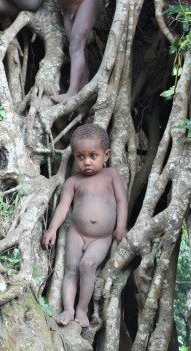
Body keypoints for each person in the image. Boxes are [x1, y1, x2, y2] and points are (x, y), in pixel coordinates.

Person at [42, 123, 127, 328]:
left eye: (93, 156)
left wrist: (121, 227)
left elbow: (121, 201)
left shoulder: (111, 175)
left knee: (87, 265)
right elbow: (63, 207)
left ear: (106, 155)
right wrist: (52, 229)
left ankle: (82, 309)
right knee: (71, 269)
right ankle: (68, 308)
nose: (87, 162)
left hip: (102, 237)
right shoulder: (73, 182)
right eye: (81, 157)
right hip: (77, 233)